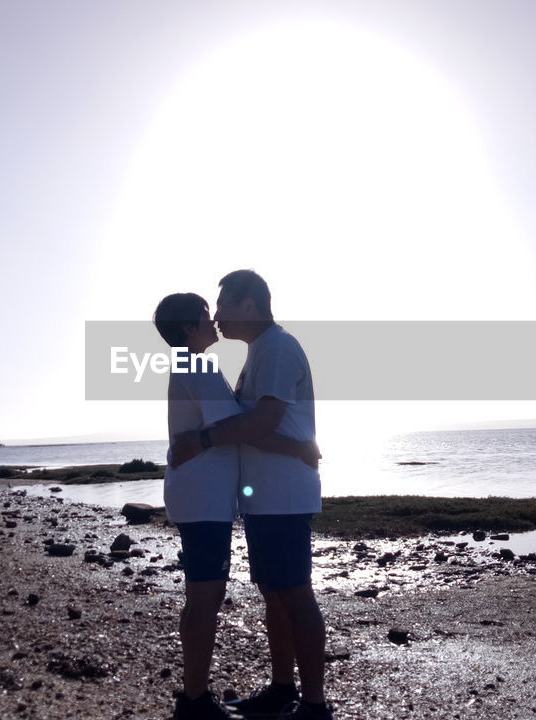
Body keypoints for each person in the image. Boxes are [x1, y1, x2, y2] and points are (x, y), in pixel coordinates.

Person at [171, 270, 331, 720]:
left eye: (221, 306)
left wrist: (202, 442)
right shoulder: (259, 351)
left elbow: (261, 423)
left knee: (295, 592)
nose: (217, 316)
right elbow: (249, 422)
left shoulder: (278, 348)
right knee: (274, 592)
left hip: (284, 494)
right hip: (264, 495)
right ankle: (282, 689)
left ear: (248, 305)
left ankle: (315, 705)